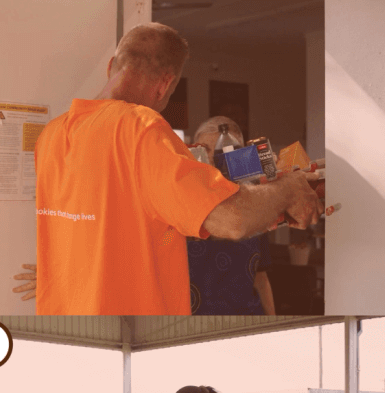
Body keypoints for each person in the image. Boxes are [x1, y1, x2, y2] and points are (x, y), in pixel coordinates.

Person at [22, 22, 322, 314]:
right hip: (134, 331)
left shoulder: (52, 134)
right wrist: (287, 190)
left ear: (112, 64)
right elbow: (233, 220)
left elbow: (133, 233)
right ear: (165, 84)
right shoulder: (142, 128)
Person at [187, 116, 276, 315]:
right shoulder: (181, 206)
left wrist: (274, 322)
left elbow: (261, 278)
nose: (212, 160)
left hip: (247, 316)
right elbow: (162, 246)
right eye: (205, 150)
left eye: (222, 152)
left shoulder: (255, 212)